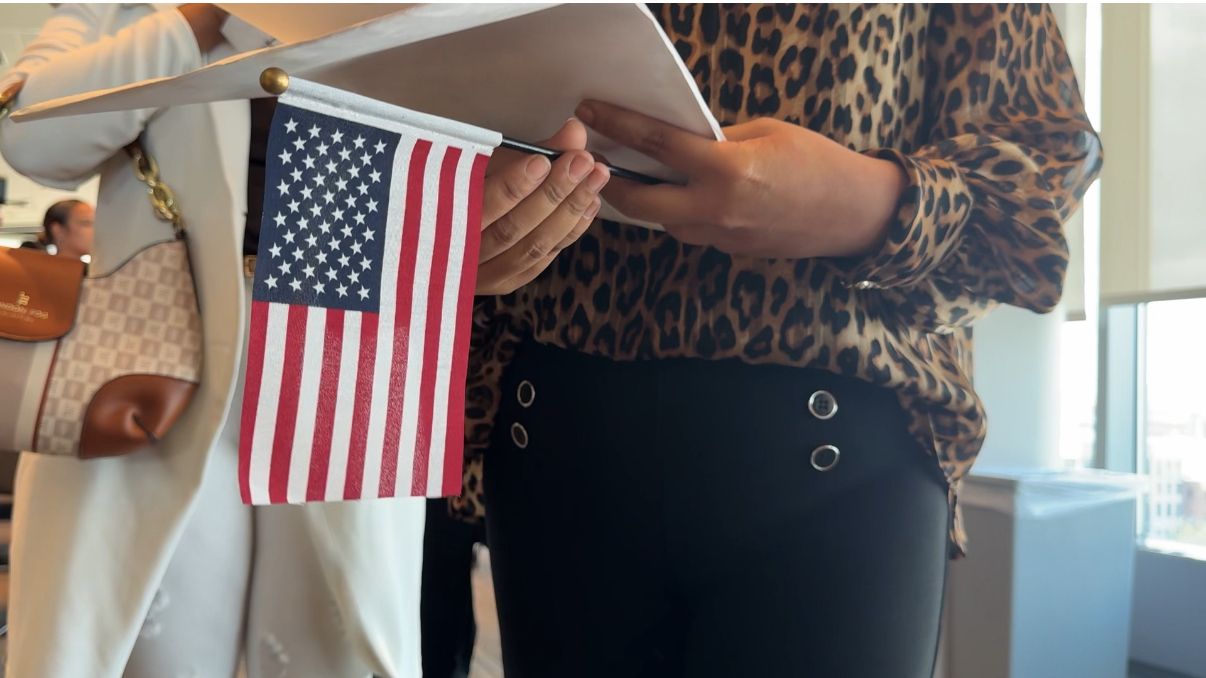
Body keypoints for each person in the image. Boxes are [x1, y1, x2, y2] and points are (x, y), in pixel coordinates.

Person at [454, 4, 1103, 678]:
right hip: (549, 444)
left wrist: (869, 205)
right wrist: (463, 233)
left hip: (840, 462)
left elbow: (1035, 192)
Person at [0, 4, 608, 677]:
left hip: (349, 352)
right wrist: (204, 15)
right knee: (151, 644)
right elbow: (32, 138)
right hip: (151, 366)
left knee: (336, 634)